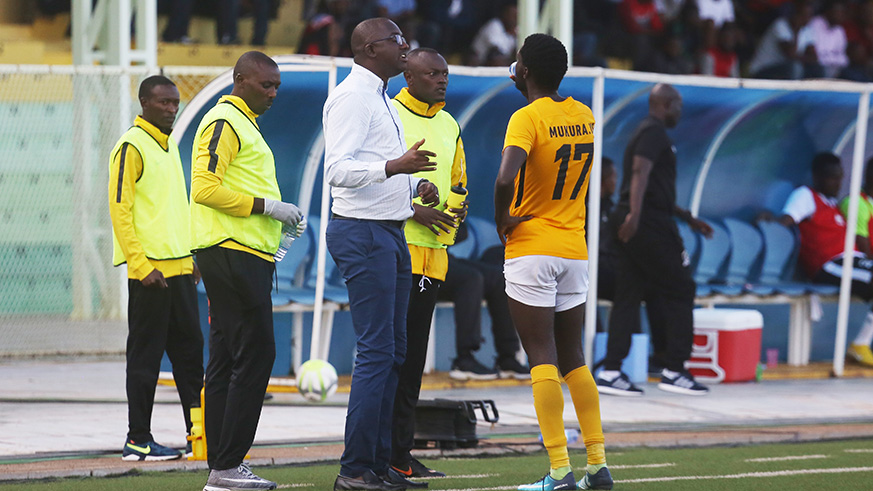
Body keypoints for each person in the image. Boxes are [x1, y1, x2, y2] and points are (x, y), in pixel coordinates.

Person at [322, 18, 439, 491]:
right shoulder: (352, 97)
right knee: (376, 352)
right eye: (397, 40)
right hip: (362, 233)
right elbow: (338, 170)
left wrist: (414, 183)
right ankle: (354, 470)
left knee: (394, 352)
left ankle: (379, 463)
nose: (405, 45)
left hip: (389, 231)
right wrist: (396, 165)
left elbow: (381, 168)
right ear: (371, 48)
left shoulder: (380, 97)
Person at [495, 33, 613, 491]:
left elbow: (508, 175)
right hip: (574, 249)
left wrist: (502, 217)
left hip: (531, 245)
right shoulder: (583, 114)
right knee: (574, 358)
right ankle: (597, 465)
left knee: (541, 357)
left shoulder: (525, 117)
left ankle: (560, 470)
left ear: (523, 71)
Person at [191, 51, 306, 491]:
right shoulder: (224, 122)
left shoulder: (245, 124)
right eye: (266, 85)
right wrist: (268, 207)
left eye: (277, 86)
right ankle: (228, 465)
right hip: (232, 252)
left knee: (225, 357)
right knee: (257, 353)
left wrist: (276, 222)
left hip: (239, 252)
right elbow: (204, 187)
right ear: (240, 79)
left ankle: (221, 466)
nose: (273, 93)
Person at [109, 75, 204, 462]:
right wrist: (139, 263)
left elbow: (173, 210)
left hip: (181, 269)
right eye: (163, 102)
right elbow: (120, 209)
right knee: (146, 358)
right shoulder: (131, 146)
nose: (171, 108)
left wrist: (192, 256)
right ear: (145, 102)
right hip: (150, 273)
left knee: (190, 357)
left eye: (175, 102)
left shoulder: (168, 147)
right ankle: (138, 439)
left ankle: (197, 433)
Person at [595, 83, 712, 398]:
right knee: (681, 287)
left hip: (640, 217)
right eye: (678, 106)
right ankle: (675, 368)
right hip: (647, 222)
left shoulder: (647, 131)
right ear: (665, 104)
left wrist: (687, 217)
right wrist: (635, 214)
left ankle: (610, 370)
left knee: (629, 293)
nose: (680, 112)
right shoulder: (653, 132)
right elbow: (639, 173)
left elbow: (653, 185)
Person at [388, 47, 466, 482]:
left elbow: (459, 180)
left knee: (414, 358)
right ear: (408, 76)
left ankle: (400, 452)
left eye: (445, 73)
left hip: (434, 254)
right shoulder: (390, 114)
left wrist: (452, 215)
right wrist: (413, 210)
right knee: (392, 356)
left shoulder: (450, 123)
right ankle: (380, 450)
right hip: (398, 247)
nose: (441, 80)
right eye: (432, 73)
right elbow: (374, 174)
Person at [777, 153, 873, 367]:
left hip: (850, 261)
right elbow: (786, 220)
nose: (838, 183)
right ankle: (860, 344)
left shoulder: (831, 204)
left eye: (840, 177)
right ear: (817, 177)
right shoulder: (806, 195)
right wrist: (770, 219)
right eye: (832, 177)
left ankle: (861, 343)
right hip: (830, 264)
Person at [441, 245, 528, 381]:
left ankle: (507, 358)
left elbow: (463, 232)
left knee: (499, 278)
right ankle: (464, 360)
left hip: (444, 256)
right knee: (470, 279)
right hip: (421, 263)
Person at [748, 0, 821, 80]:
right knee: (795, 67)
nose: (807, 18)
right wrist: (797, 30)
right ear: (795, 14)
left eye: (809, 15)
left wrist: (801, 58)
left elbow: (814, 57)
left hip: (785, 69)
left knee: (818, 69)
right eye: (803, 15)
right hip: (762, 70)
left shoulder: (807, 30)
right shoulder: (780, 25)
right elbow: (790, 54)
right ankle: (793, 93)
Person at [469, 1, 518, 66]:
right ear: (504, 14)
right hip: (479, 61)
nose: (513, 20)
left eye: (516, 16)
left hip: (499, 62)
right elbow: (496, 52)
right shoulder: (494, 25)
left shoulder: (515, 31)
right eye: (511, 15)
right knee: (497, 58)